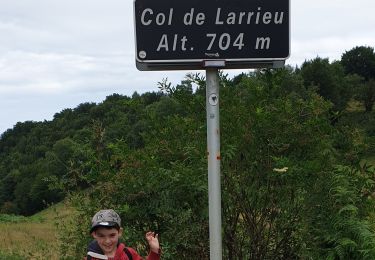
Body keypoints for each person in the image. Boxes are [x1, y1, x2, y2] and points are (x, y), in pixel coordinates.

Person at [85, 209, 161, 260]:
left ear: (120, 232)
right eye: (101, 235)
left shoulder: (129, 254)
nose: (107, 241)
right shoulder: (90, 258)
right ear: (94, 234)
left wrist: (154, 250)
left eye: (112, 235)